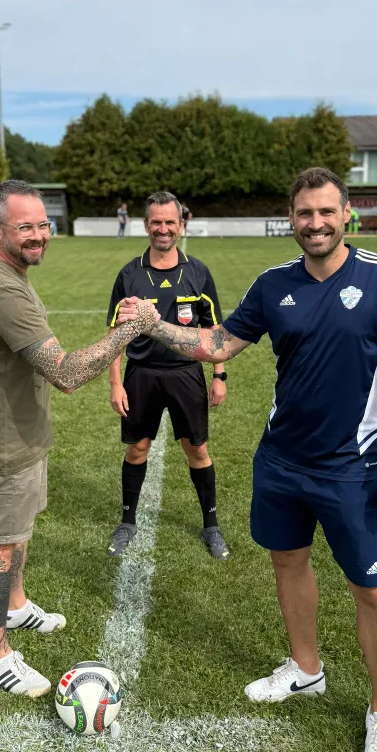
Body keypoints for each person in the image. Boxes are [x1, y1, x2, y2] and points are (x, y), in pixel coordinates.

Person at [119, 167, 377, 752]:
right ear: (291, 218)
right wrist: (153, 326)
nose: (314, 224)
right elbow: (218, 345)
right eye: (303, 214)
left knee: (372, 592)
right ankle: (305, 667)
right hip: (281, 462)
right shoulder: (272, 285)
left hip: (355, 466)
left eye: (325, 212)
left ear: (346, 215)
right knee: (288, 564)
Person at [0, 180, 157, 698]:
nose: (38, 235)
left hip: (22, 434)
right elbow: (65, 372)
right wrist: (128, 330)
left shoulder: (13, 274)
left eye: (43, 224)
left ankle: (17, 604)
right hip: (2, 443)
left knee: (19, 530)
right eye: (25, 226)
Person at [106, 191, 230, 560]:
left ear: (181, 225)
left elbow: (215, 329)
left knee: (197, 449)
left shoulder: (197, 272)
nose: (163, 229)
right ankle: (128, 521)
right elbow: (114, 332)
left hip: (186, 374)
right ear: (146, 226)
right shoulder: (130, 274)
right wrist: (115, 382)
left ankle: (211, 526)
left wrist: (219, 374)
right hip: (141, 375)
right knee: (137, 448)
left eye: (170, 222)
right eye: (156, 222)